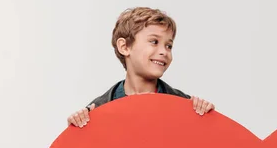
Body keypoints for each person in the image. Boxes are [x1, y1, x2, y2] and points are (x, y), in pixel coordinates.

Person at [68, 7, 214, 128]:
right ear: (124, 47)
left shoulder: (185, 105)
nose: (164, 51)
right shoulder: (97, 110)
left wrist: (206, 116)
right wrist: (77, 128)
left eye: (169, 45)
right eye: (154, 41)